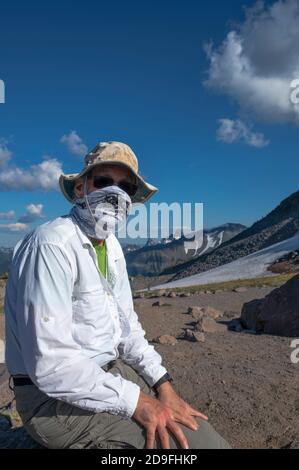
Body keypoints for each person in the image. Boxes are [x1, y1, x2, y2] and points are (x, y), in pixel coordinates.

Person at [4, 141, 231, 449]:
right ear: (81, 188)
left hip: (107, 373)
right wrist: (139, 403)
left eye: (126, 186)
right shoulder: (52, 245)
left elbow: (128, 327)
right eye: (104, 181)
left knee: (203, 437)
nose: (116, 193)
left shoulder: (110, 247)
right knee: (175, 447)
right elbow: (51, 365)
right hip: (51, 402)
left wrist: (162, 384)